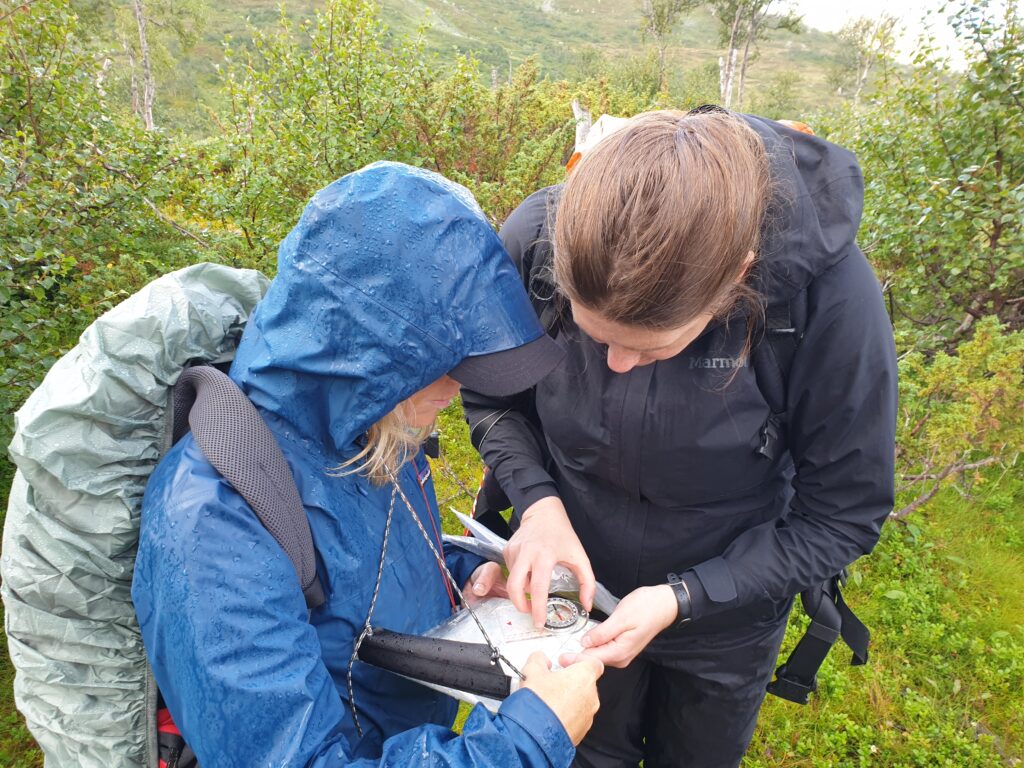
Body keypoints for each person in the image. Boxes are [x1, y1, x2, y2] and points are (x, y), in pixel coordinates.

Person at [462, 109, 898, 768]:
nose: (613, 365)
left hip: (729, 614)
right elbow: (492, 398)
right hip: (571, 589)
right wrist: (539, 506)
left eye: (647, 348)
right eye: (593, 336)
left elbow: (844, 513)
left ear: (738, 277)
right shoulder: (537, 240)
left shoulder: (829, 304)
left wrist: (685, 598)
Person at [131, 162, 604, 768]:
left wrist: (469, 579)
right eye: (443, 366)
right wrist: (528, 740)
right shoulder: (213, 528)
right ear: (368, 352)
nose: (456, 391)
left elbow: (366, 570)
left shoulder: (371, 427)